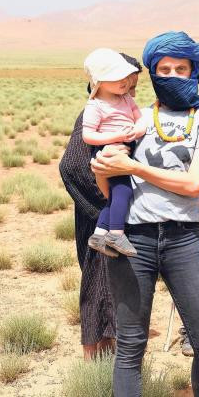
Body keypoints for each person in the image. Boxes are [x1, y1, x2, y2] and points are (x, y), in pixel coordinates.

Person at [91, 31, 199, 397]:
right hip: (134, 238)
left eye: (181, 68)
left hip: (185, 239)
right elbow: (111, 188)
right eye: (163, 69)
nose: (172, 75)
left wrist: (133, 167)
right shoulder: (132, 118)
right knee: (131, 346)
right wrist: (106, 172)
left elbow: (194, 183)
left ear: (194, 71)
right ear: (151, 72)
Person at [58, 52, 141, 360]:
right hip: (99, 218)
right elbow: (73, 167)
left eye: (133, 81)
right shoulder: (93, 117)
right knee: (97, 285)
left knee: (112, 287)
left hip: (109, 217)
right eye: (126, 79)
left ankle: (111, 355)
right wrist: (107, 207)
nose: (131, 86)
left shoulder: (121, 111)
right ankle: (94, 360)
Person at [82, 48, 148, 257]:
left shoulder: (126, 99)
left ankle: (100, 234)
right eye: (116, 77)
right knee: (123, 192)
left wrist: (137, 130)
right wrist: (115, 137)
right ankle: (116, 233)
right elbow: (88, 136)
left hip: (123, 147)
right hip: (109, 151)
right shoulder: (95, 106)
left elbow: (140, 119)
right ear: (99, 81)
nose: (124, 82)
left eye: (125, 77)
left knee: (117, 194)